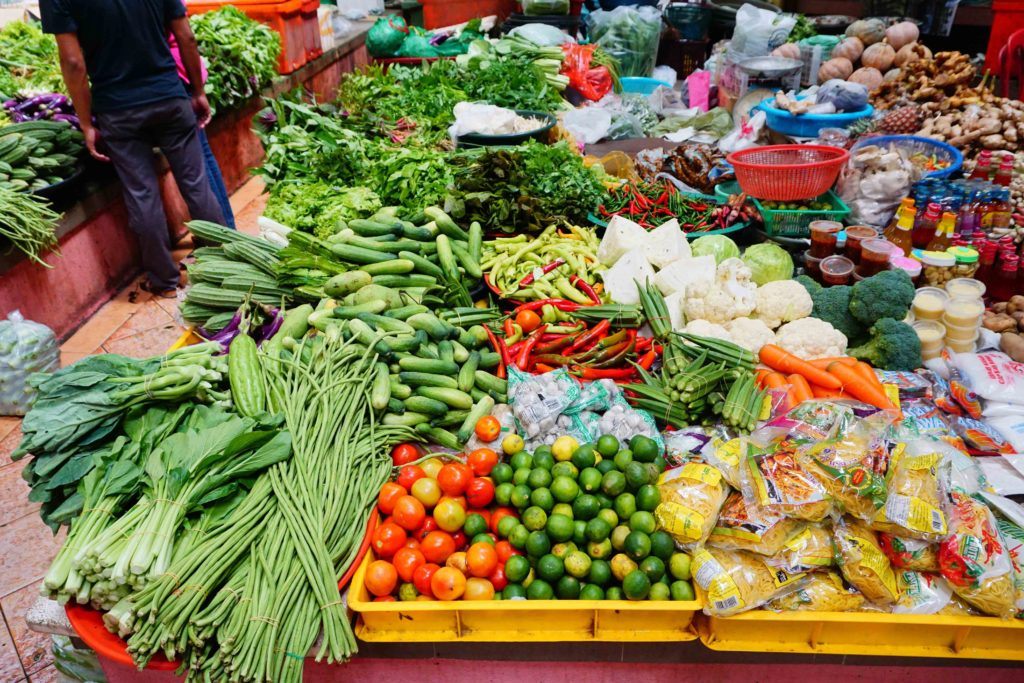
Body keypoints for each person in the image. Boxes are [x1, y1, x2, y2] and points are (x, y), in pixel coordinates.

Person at [40, 0, 225, 297]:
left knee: (142, 196)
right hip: (169, 97)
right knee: (196, 185)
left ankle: (164, 280)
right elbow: (186, 36)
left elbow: (73, 62)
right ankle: (225, 266)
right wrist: (198, 91)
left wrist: (86, 123)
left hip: (118, 110)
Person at [168, 33, 236, 229]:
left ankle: (220, 236)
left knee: (195, 164)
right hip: (184, 69)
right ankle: (228, 230)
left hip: (170, 75)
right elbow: (186, 35)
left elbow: (186, 36)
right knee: (203, 154)